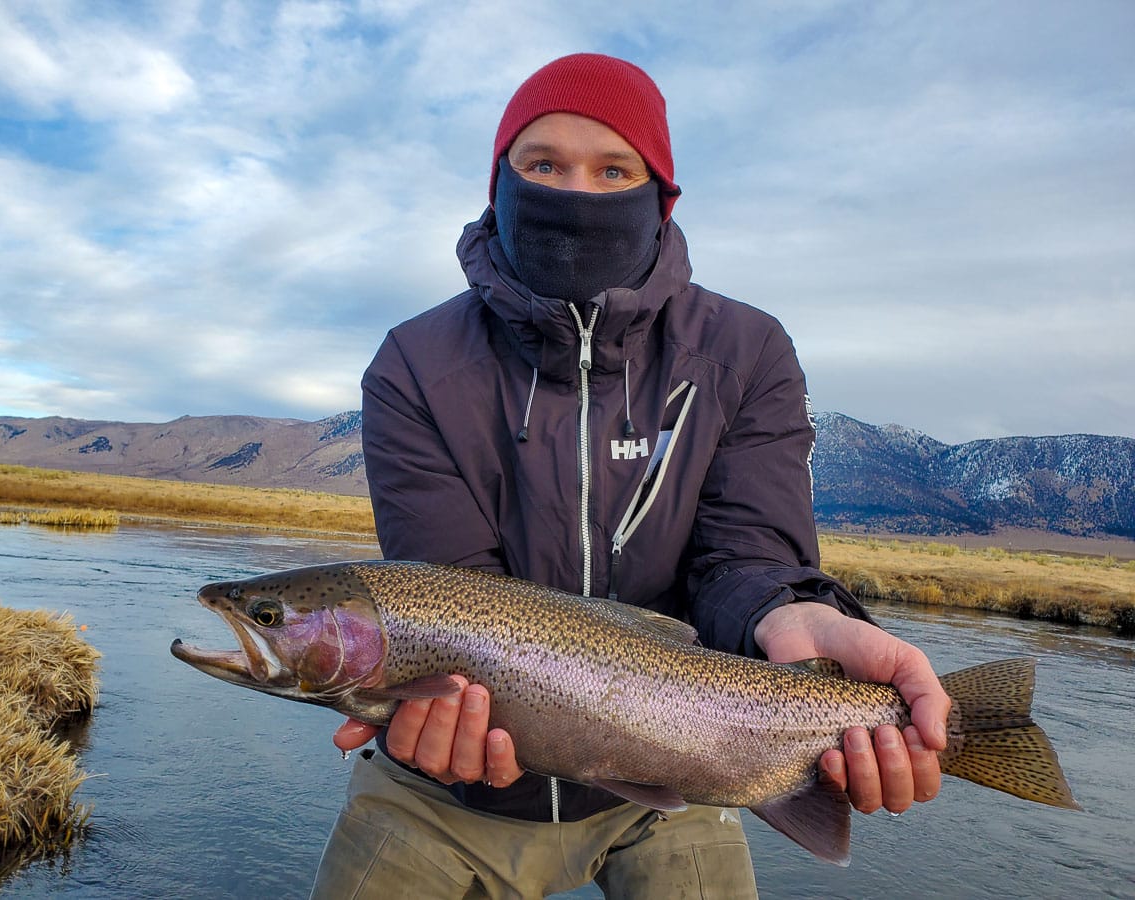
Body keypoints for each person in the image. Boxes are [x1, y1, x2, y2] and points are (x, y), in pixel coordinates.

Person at [310, 53, 950, 899]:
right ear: (497, 184)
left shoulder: (745, 353)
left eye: (614, 170)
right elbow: (449, 597)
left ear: (661, 196)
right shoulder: (414, 364)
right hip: (444, 792)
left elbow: (744, 560)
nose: (576, 194)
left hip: (683, 774)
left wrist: (793, 615)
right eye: (543, 166)